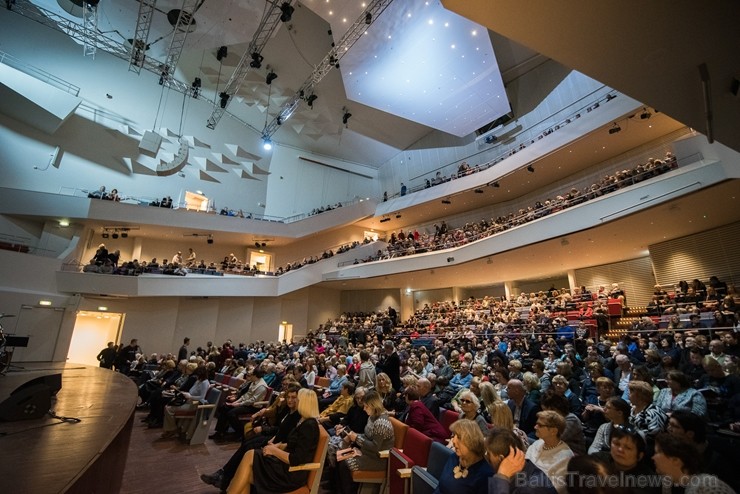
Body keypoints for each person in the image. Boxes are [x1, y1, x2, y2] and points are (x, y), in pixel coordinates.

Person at [201, 383, 302, 491]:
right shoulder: (287, 409)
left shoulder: (298, 415)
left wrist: (266, 431)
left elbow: (286, 435)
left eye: (293, 398)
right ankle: (223, 476)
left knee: (250, 446)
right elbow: (278, 426)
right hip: (274, 436)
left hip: (278, 442)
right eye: (288, 397)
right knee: (247, 443)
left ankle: (224, 478)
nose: (290, 400)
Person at [227, 388, 320, 494]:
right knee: (249, 462)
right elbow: (294, 444)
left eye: (297, 399)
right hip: (285, 466)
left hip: (291, 473)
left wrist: (274, 451)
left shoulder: (309, 426)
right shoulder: (304, 421)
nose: (295, 401)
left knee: (250, 457)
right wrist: (279, 446)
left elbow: (296, 459)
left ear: (304, 403)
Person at [335, 390, 395, 494]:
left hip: (378, 459)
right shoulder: (372, 417)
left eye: (366, 406)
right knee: (339, 456)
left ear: (373, 406)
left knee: (344, 464)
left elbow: (375, 447)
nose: (364, 409)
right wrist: (353, 435)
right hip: (367, 453)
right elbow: (367, 436)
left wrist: (356, 438)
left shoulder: (381, 422)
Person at [652, 433, 735, 494]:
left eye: (657, 452)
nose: (653, 457)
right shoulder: (668, 484)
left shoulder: (708, 485)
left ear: (676, 460)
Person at [485, 426, 556, 494]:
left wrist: (501, 476)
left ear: (501, 458)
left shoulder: (530, 489)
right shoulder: (527, 468)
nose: (487, 458)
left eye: (488, 454)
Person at [435, 419, 493, 493]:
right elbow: (440, 487)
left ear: (472, 441)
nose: (453, 441)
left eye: (459, 437)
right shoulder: (453, 457)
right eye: (454, 435)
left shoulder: (486, 474)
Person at [525, 411, 574, 493]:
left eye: (540, 425)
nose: (535, 427)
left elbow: (556, 488)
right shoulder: (538, 443)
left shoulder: (566, 457)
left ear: (553, 431)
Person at [160, 366, 209, 438]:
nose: (196, 376)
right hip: (188, 401)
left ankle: (172, 429)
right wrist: (183, 393)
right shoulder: (198, 381)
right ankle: (172, 428)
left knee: (168, 409)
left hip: (195, 404)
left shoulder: (204, 383)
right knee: (168, 405)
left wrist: (190, 396)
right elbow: (191, 392)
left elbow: (202, 397)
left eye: (198, 375)